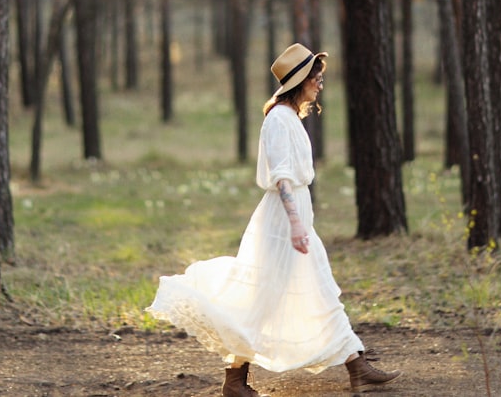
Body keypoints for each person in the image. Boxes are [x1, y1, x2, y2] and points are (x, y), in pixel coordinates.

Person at [147, 43, 401, 396]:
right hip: (283, 222)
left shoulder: (289, 117)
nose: (320, 84)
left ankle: (357, 366)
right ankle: (234, 381)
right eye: (315, 77)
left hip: (294, 217)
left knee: (322, 291)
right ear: (300, 81)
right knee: (262, 300)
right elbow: (282, 175)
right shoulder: (279, 120)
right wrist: (296, 223)